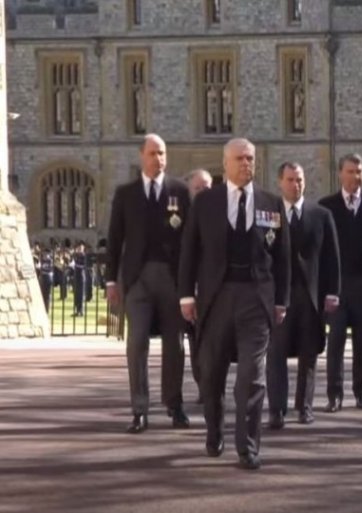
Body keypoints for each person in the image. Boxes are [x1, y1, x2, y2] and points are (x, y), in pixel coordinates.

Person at [178, 138, 290, 470]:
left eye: (250, 158)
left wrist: (281, 301)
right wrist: (186, 296)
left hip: (256, 298)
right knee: (212, 372)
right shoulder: (206, 202)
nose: (246, 164)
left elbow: (283, 257)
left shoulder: (271, 203)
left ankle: (248, 447)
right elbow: (189, 251)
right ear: (225, 163)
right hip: (217, 298)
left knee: (252, 377)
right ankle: (215, 431)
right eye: (239, 158)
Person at [106, 134, 192, 434]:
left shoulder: (179, 191)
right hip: (138, 279)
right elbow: (115, 239)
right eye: (153, 153)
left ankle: (174, 404)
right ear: (142, 155)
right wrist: (111, 280)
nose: (159, 159)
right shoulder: (126, 193)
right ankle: (140, 409)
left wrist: (189, 285)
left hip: (171, 278)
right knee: (137, 342)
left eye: (163, 153)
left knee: (175, 345)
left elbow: (190, 241)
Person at [267, 162, 341, 428]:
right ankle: (277, 409)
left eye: (299, 180)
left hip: (310, 296)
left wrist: (333, 292)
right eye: (290, 180)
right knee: (276, 354)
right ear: (280, 182)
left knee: (308, 355)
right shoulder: (269, 214)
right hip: (279, 297)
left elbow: (332, 257)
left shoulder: (321, 215)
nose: (295, 185)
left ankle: (304, 406)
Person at [319, 153, 362, 412]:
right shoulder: (327, 206)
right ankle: (334, 394)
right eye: (350, 171)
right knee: (336, 341)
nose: (355, 176)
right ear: (340, 174)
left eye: (359, 171)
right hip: (338, 286)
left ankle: (361, 391)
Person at [184, 168, 213, 403]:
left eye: (207, 187)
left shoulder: (222, 213)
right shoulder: (181, 218)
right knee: (194, 341)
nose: (203, 192)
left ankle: (211, 386)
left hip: (213, 289)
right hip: (189, 289)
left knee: (213, 341)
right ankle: (203, 385)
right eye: (198, 188)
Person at [70, 242, 88, 317]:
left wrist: (76, 265)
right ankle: (77, 310)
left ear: (83, 249)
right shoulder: (76, 256)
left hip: (81, 276)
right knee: (76, 294)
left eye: (81, 248)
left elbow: (84, 266)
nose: (79, 250)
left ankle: (81, 311)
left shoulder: (84, 256)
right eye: (78, 248)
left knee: (81, 294)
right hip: (76, 275)